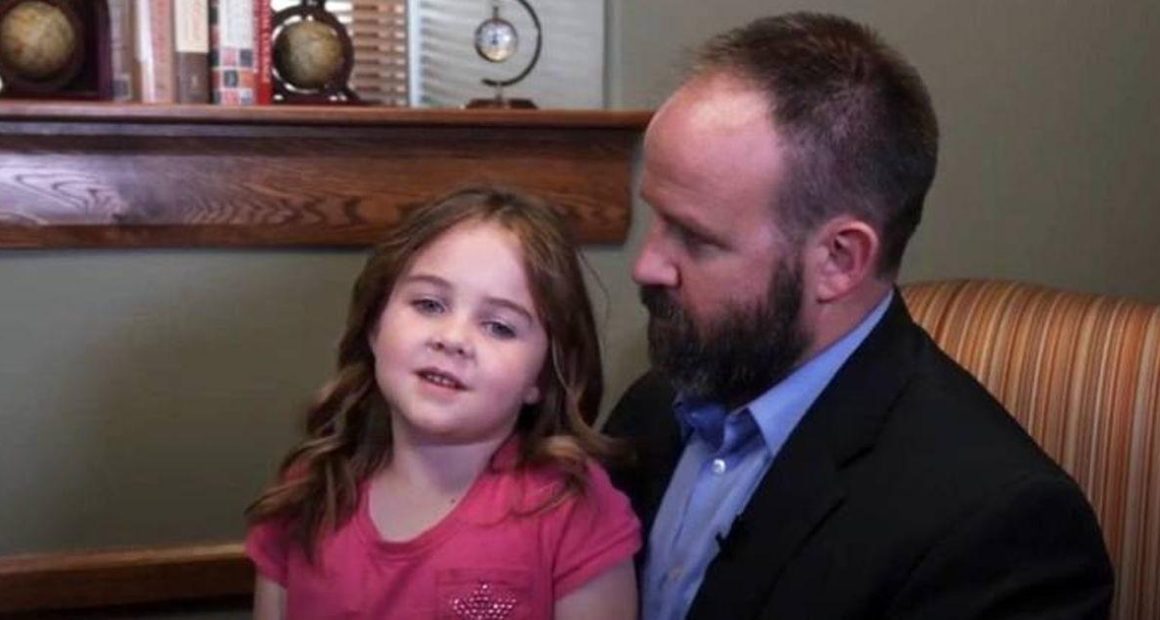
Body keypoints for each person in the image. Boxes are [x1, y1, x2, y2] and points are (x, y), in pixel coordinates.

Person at [605, 12, 1113, 620]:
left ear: (839, 260)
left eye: (695, 238)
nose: (647, 265)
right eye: (657, 217)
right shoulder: (654, 406)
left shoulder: (1003, 534)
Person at [246, 186, 640, 619]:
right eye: (429, 304)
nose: (452, 339)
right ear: (374, 325)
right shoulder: (307, 492)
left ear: (543, 377)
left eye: (499, 327)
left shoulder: (573, 509)